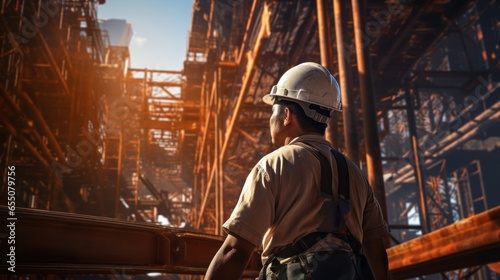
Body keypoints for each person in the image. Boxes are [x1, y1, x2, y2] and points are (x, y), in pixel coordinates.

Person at [205, 62, 389, 279]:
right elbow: (377, 255)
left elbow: (235, 250)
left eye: (273, 109)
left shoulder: (273, 165)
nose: (270, 118)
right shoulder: (355, 173)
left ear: (286, 115)